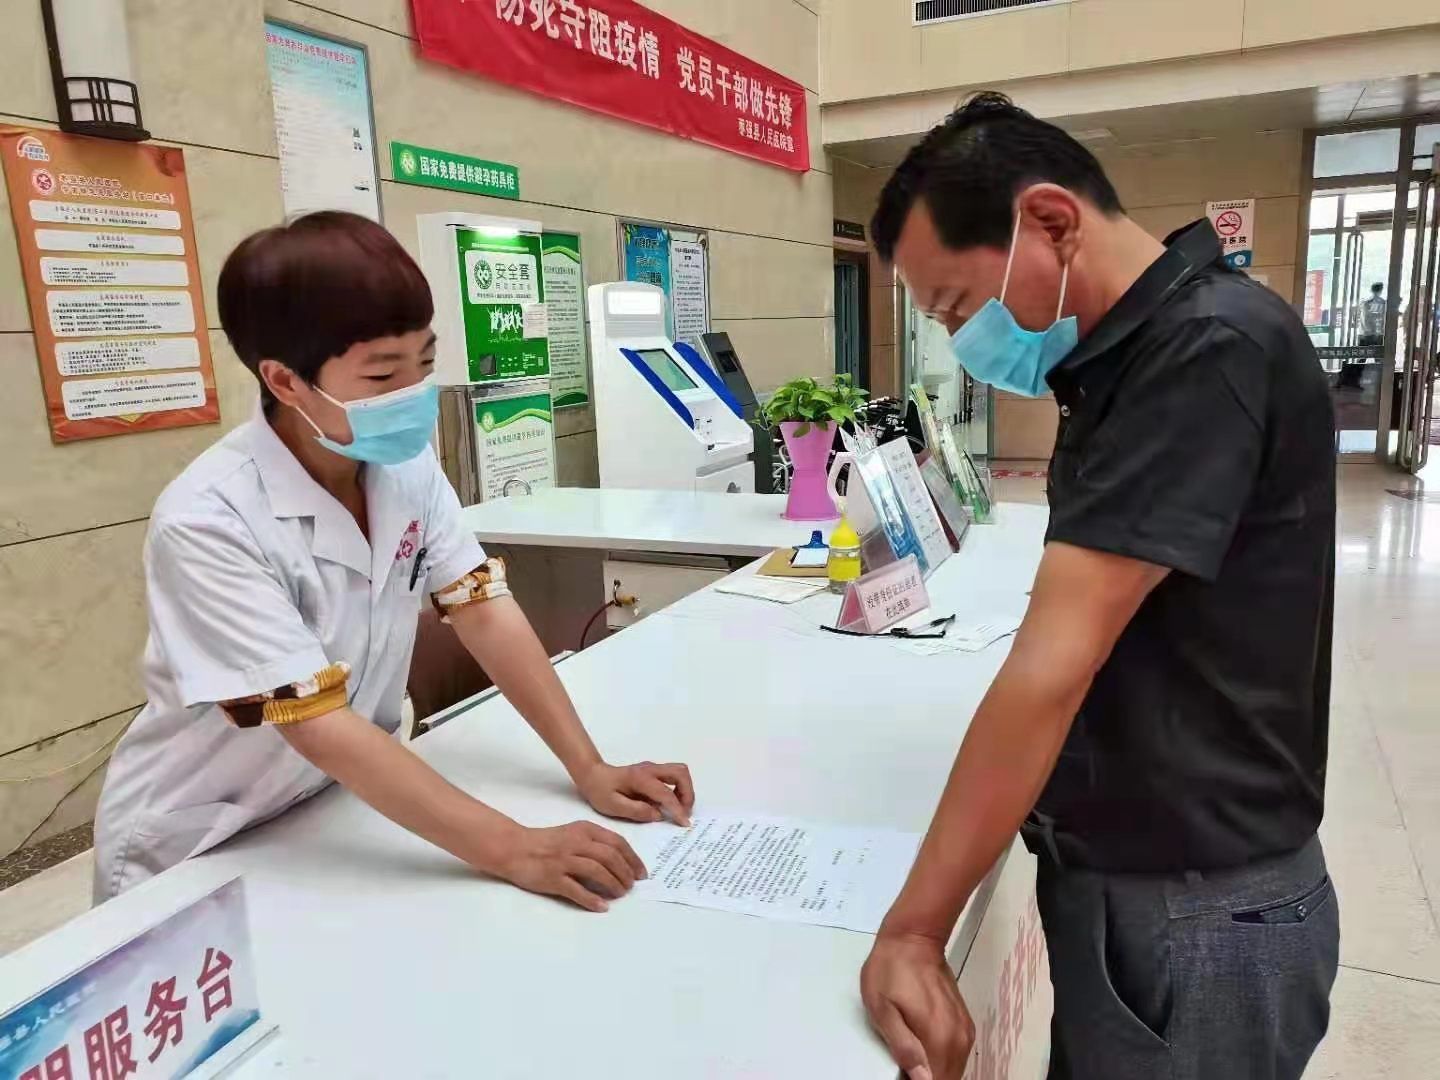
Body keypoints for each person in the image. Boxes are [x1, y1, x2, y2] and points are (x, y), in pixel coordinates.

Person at [860, 93, 1337, 1080]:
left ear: (1050, 221)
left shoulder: (1203, 351)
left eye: (957, 307)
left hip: (1199, 910)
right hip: (1146, 879)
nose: (962, 341)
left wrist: (913, 931)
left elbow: (1053, 667)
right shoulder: (1133, 356)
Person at [94, 212, 694, 908]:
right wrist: (515, 847)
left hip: (336, 803)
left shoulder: (402, 465)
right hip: (209, 833)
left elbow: (481, 607)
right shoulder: (207, 519)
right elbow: (313, 720)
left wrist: (588, 766)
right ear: (285, 381)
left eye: (425, 363)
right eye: (383, 373)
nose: (413, 393)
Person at [1357, 281, 1386, 347]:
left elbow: (1362, 317)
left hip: (1364, 333)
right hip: (1377, 334)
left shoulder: (1364, 302)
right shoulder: (1383, 303)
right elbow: (1382, 318)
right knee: (1378, 352)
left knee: (1362, 352)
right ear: (1381, 290)